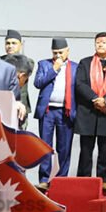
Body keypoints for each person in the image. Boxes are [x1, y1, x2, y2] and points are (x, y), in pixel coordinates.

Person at [75, 32, 106, 188]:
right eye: (98, 42)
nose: (100, 44)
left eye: (104, 42)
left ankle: (104, 181)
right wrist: (95, 98)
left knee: (105, 149)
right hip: (88, 110)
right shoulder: (85, 62)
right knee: (86, 150)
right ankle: (83, 181)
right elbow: (80, 84)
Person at [33, 38, 77, 187]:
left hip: (66, 112)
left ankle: (61, 180)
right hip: (47, 111)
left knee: (64, 147)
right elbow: (38, 83)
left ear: (67, 51)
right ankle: (44, 179)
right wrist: (54, 69)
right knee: (45, 146)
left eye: (61, 52)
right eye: (55, 53)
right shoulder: (44, 64)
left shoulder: (75, 67)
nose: (58, 55)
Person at [0, 30, 33, 129]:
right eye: (8, 43)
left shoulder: (27, 62)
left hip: (21, 105)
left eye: (14, 43)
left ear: (21, 45)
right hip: (2, 105)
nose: (10, 46)